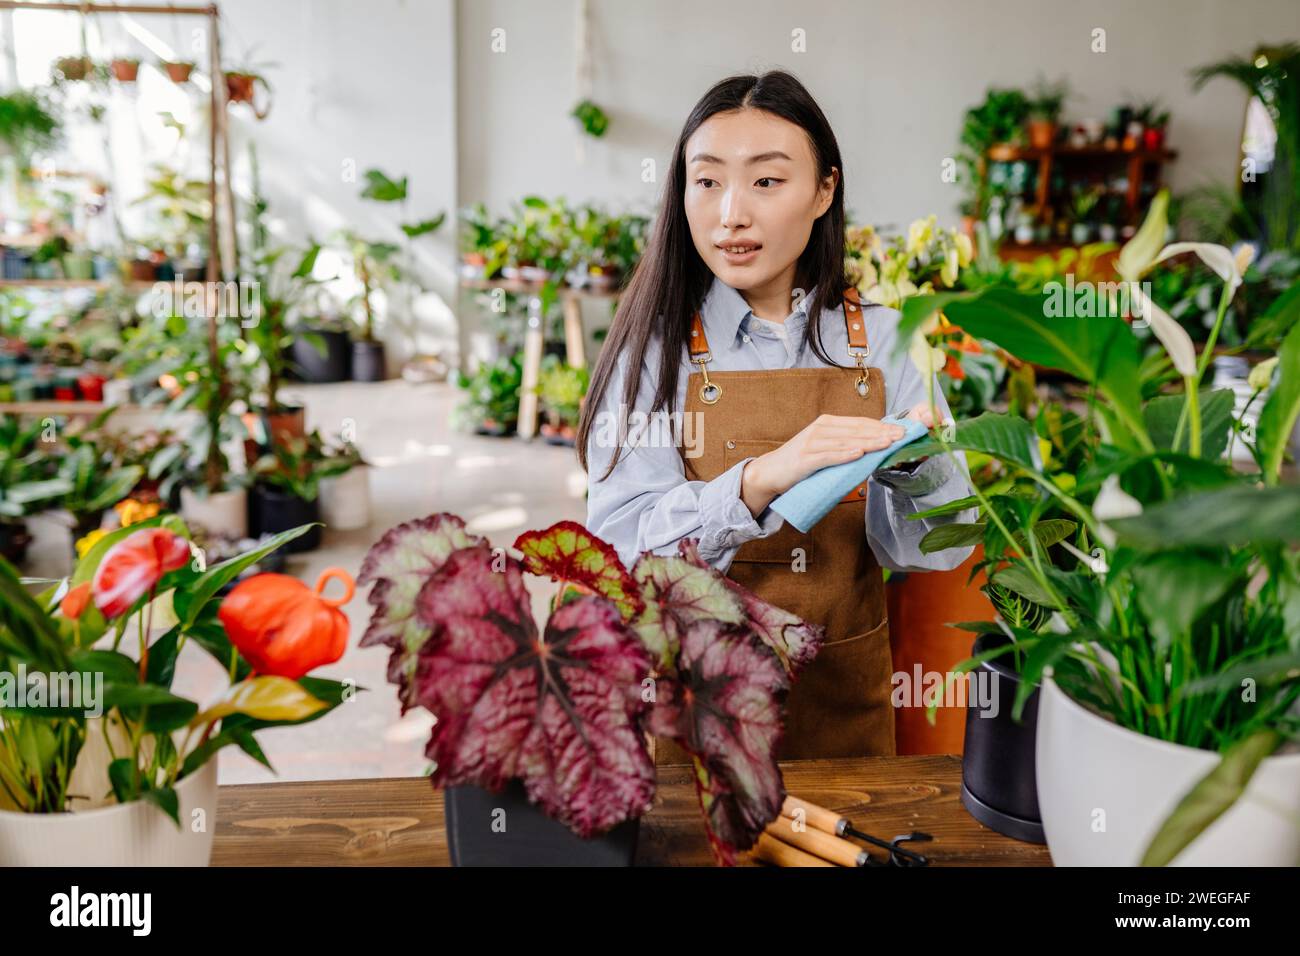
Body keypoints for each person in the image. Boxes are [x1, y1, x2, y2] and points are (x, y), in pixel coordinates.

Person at [577, 70, 979, 762]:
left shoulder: (886, 342)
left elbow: (937, 549)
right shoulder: (651, 353)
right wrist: (758, 481)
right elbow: (618, 554)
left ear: (824, 190)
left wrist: (915, 460)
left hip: (841, 696)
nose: (732, 213)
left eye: (766, 182)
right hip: (692, 710)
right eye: (707, 182)